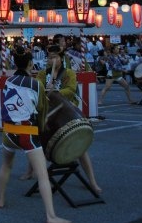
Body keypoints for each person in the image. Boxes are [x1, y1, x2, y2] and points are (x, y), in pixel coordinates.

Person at [0, 47, 71, 223]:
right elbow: (42, 111)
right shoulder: (36, 84)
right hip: (27, 132)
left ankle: (0, 199)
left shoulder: (8, 81)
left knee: (6, 165)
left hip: (9, 131)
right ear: (30, 64)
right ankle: (50, 215)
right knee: (42, 174)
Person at [32, 45, 101, 193]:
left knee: (81, 149)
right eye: (49, 57)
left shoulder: (68, 73)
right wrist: (46, 89)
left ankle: (92, 181)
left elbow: (70, 90)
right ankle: (40, 178)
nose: (52, 60)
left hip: (66, 112)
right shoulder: (43, 74)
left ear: (61, 58)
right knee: (38, 145)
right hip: (49, 112)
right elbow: (37, 89)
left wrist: (54, 91)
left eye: (55, 57)